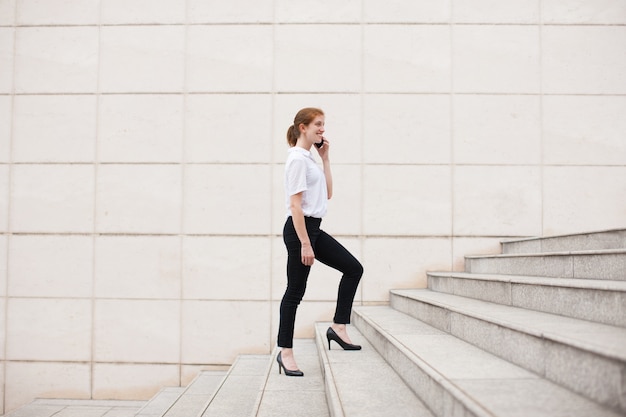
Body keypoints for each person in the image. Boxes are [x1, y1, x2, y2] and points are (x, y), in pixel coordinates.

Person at [276, 107, 364, 377]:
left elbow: (328, 193)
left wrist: (325, 159)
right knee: (295, 292)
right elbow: (295, 205)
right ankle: (285, 352)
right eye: (318, 124)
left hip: (313, 229)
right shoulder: (297, 160)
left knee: (353, 269)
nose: (322, 129)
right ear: (303, 127)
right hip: (300, 231)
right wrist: (305, 243)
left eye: (323, 125)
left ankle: (338, 327)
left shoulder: (310, 159)